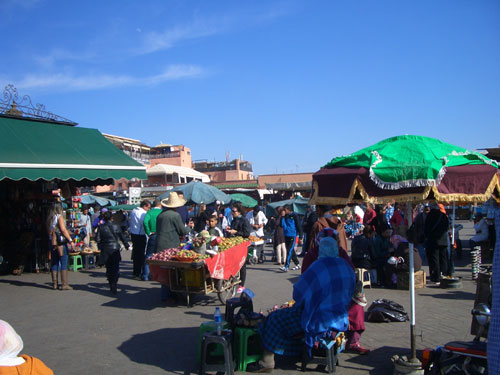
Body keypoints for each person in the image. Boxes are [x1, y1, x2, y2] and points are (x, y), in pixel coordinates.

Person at [253, 237, 355, 372]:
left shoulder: (319, 266)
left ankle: (267, 361)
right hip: (340, 319)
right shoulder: (346, 266)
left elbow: (298, 294)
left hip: (318, 320)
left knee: (274, 318)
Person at [302, 228, 370, 355]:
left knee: (356, 307)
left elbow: (351, 275)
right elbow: (305, 281)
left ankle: (353, 342)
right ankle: (319, 341)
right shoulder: (311, 255)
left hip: (341, 297)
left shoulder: (341, 254)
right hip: (319, 298)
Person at [155, 192, 194, 302]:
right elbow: (182, 230)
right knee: (171, 271)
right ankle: (168, 295)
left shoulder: (161, 215)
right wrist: (190, 228)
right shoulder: (175, 215)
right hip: (170, 245)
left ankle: (170, 293)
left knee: (166, 271)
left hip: (160, 245)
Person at [96, 211, 129, 294]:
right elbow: (122, 237)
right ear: (112, 218)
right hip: (115, 248)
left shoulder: (101, 227)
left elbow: (98, 239)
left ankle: (111, 283)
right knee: (115, 267)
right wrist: (126, 245)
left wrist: (102, 244)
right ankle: (114, 282)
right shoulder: (116, 226)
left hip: (105, 249)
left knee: (109, 267)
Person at [46, 203, 75, 290]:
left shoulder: (49, 219)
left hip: (52, 242)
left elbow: (49, 232)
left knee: (54, 262)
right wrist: (70, 240)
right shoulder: (59, 217)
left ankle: (55, 283)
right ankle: (64, 284)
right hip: (60, 244)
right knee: (63, 262)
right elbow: (63, 230)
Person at [226, 202, 252, 293]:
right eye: (232, 211)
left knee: (242, 265)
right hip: (233, 245)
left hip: (242, 245)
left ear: (239, 212)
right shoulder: (233, 221)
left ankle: (241, 285)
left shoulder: (244, 221)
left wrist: (235, 232)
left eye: (234, 211)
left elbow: (246, 234)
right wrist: (229, 230)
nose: (232, 213)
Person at [424, 204, 449, 283]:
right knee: (443, 258)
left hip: (433, 240)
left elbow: (426, 228)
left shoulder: (430, 216)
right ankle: (444, 274)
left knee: (434, 259)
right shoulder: (443, 216)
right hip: (443, 240)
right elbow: (447, 227)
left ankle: (436, 277)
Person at [129, 200, 151, 279]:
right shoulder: (143, 213)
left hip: (133, 233)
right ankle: (140, 272)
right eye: (148, 207)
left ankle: (135, 272)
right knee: (141, 255)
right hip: (140, 234)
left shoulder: (134, 210)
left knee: (135, 254)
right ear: (144, 206)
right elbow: (144, 223)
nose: (149, 209)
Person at [142, 199, 162, 281]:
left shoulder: (149, 212)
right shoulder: (162, 212)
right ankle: (158, 276)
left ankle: (146, 275)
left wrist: (148, 232)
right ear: (160, 205)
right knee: (160, 256)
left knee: (149, 256)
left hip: (153, 235)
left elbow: (145, 222)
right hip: (161, 235)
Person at [280, 204, 303, 272]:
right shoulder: (284, 216)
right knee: (291, 251)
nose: (283, 211)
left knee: (289, 251)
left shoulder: (294, 215)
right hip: (286, 235)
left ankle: (286, 266)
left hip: (292, 235)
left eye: (284, 210)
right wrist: (282, 217)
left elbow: (298, 225)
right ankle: (297, 264)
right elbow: (282, 225)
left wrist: (300, 236)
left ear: (288, 210)